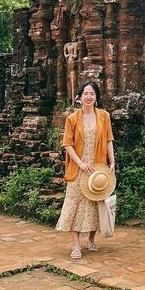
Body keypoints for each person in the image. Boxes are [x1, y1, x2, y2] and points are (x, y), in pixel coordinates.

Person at [55, 81, 115, 259]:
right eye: (85, 94)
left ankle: (91, 240)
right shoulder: (72, 119)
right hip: (78, 167)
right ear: (80, 97)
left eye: (92, 94)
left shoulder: (104, 116)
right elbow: (67, 144)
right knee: (74, 205)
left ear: (96, 97)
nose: (89, 97)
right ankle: (75, 246)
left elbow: (108, 140)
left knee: (94, 204)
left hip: (97, 167)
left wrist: (112, 161)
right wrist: (80, 163)